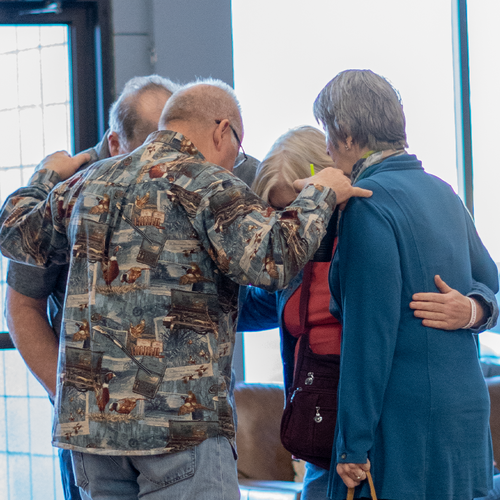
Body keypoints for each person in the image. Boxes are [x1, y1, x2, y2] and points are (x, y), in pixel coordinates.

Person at [0, 79, 372, 500]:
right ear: (222, 130)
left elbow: (13, 232)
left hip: (92, 435)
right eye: (238, 149)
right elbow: (275, 262)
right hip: (180, 428)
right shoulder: (211, 185)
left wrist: (47, 174)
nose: (235, 162)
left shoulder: (89, 182)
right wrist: (321, 194)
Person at [238, 125, 499, 500]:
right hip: (320, 444)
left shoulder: (380, 226)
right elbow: (239, 308)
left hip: (382, 438)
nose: (293, 224)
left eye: (296, 207)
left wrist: (474, 310)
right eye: (281, 213)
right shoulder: (293, 270)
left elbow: (486, 284)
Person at [313, 69, 499, 499]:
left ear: (346, 133)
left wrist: (353, 443)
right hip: (466, 415)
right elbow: (491, 282)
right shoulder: (443, 192)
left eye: (327, 133)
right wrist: (473, 311)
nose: (325, 148)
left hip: (406, 423)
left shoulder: (368, 204)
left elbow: (369, 336)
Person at [5, 74, 179, 500]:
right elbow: (22, 308)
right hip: (92, 423)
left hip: (174, 418)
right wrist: (73, 396)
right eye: (152, 147)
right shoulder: (69, 191)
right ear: (116, 144)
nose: (165, 160)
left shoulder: (192, 177)